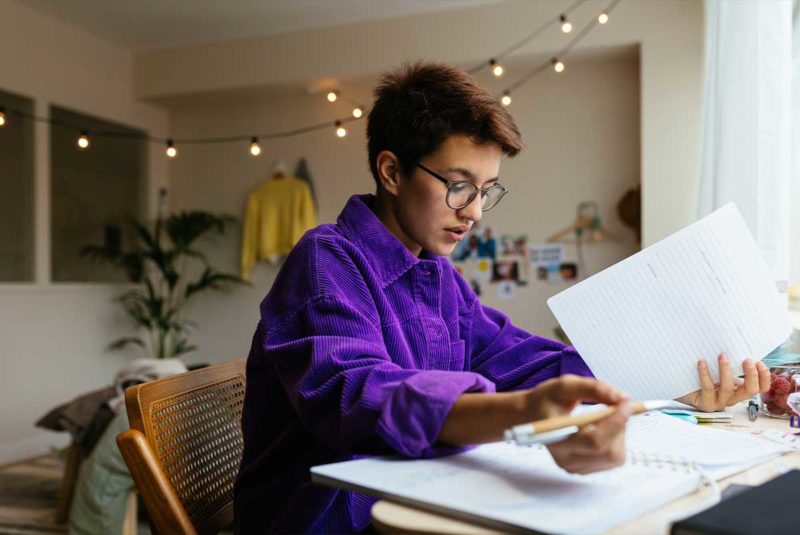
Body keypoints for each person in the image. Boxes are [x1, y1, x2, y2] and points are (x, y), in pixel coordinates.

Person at [234, 61, 770, 534]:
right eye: (459, 184)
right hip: (328, 520)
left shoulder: (437, 277)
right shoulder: (327, 260)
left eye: (487, 189)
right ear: (391, 171)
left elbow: (523, 357)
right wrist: (521, 412)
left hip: (415, 501)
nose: (474, 211)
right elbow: (355, 394)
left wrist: (665, 382)